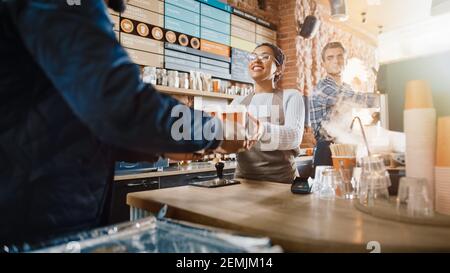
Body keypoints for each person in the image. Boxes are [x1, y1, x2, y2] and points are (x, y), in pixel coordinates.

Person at [0, 0, 253, 246]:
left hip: (43, 209)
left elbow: (65, 117)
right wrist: (215, 129)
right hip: (35, 219)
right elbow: (118, 103)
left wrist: (158, 147)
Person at [230, 43, 305, 184]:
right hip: (244, 183)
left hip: (282, 184)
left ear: (279, 69)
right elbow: (229, 140)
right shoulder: (237, 103)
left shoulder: (291, 96)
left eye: (265, 57)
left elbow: (294, 136)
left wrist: (261, 129)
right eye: (253, 56)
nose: (257, 60)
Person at [309, 42, 379, 166]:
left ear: (345, 60)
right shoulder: (323, 88)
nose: (336, 61)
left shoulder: (346, 87)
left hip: (344, 145)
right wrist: (382, 98)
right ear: (324, 64)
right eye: (330, 58)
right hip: (327, 149)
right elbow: (354, 99)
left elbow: (349, 117)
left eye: (340, 56)